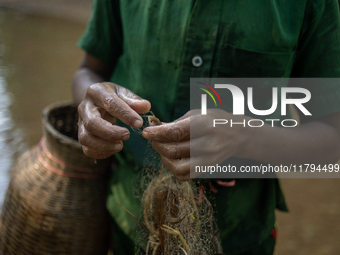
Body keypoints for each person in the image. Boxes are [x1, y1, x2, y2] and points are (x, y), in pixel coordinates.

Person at [72, 0, 340, 254]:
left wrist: (245, 138)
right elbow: (89, 72)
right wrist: (93, 105)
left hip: (239, 233)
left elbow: (332, 140)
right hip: (128, 221)